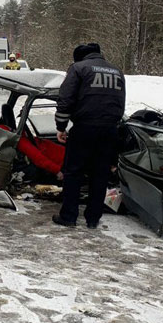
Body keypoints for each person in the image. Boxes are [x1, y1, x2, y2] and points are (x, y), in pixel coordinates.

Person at [52, 43, 125, 229]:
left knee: (73, 172)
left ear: (79, 57)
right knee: (100, 175)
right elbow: (120, 103)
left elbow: (65, 99)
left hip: (85, 128)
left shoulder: (78, 69)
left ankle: (68, 216)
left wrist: (61, 126)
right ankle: (93, 218)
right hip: (110, 130)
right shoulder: (117, 71)